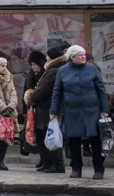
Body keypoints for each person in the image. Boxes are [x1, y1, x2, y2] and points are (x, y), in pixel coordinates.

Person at [50, 45, 109, 180]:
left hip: (92, 111)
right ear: (72, 57)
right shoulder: (62, 71)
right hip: (72, 112)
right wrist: (53, 111)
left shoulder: (92, 69)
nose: (84, 57)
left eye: (84, 54)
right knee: (73, 141)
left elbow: (101, 90)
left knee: (95, 140)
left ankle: (98, 169)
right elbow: (57, 93)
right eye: (80, 55)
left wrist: (105, 110)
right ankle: (76, 168)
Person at [24, 46, 66, 173]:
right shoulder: (52, 70)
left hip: (46, 108)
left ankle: (56, 164)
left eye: (48, 56)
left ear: (52, 57)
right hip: (44, 108)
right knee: (43, 136)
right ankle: (47, 163)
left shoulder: (52, 71)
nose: (46, 58)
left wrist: (31, 96)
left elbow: (42, 91)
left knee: (50, 137)